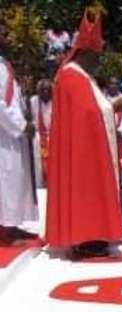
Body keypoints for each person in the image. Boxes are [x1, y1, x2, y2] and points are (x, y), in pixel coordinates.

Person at [47, 10, 122, 257]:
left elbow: (91, 108)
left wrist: (110, 107)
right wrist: (114, 106)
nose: (99, 62)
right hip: (83, 147)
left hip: (86, 144)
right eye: (96, 56)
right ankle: (87, 235)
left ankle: (94, 233)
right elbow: (88, 112)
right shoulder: (72, 75)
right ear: (85, 53)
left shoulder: (81, 75)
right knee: (86, 189)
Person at [0, 23, 37, 243]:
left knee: (14, 179)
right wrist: (21, 125)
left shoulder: (4, 65)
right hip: (5, 135)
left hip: (11, 133)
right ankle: (7, 230)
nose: (8, 36)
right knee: (7, 178)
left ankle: (12, 225)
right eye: (3, 33)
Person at [29, 78, 52, 188]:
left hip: (52, 138)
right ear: (39, 91)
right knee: (38, 167)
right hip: (37, 139)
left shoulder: (56, 102)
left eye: (48, 90)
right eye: (43, 90)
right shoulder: (33, 101)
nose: (46, 92)